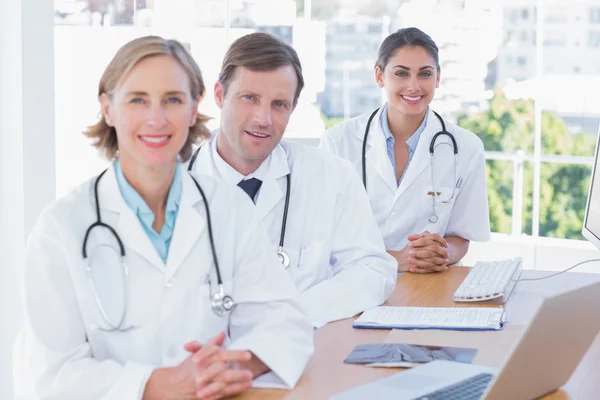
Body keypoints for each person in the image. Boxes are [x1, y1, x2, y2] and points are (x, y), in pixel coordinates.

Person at [13, 36, 313, 400]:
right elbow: (49, 373)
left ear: (193, 108)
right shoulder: (61, 228)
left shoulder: (228, 209)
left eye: (172, 99)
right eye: (138, 100)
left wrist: (235, 365)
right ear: (108, 108)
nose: (156, 119)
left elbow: (285, 321)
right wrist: (154, 384)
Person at [187, 32, 397, 329]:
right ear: (220, 95)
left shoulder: (331, 175)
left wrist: (294, 315)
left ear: (293, 109)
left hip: (303, 354)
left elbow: (373, 269)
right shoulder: (174, 185)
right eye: (250, 98)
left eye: (279, 104)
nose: (263, 118)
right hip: (201, 361)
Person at [319, 27, 490, 274]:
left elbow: (461, 237)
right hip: (355, 280)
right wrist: (397, 259)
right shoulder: (338, 142)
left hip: (431, 281)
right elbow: (323, 236)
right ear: (379, 76)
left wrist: (442, 253)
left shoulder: (466, 148)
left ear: (438, 78)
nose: (413, 86)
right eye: (401, 73)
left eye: (425, 74)